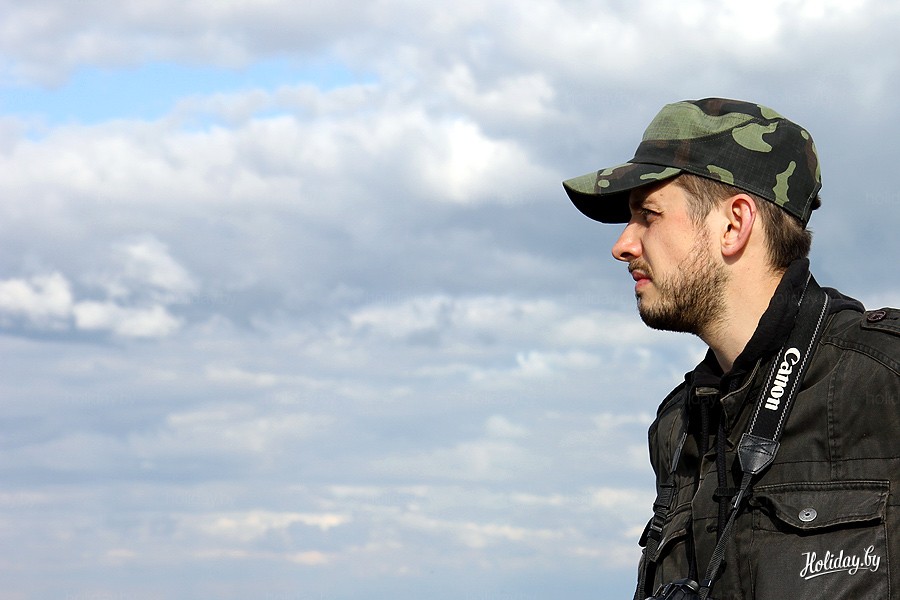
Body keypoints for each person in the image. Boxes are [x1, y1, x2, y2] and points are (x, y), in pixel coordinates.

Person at [562, 98, 900, 599]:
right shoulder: (679, 426)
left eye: (648, 215)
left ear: (734, 224)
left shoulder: (885, 378)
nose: (623, 245)